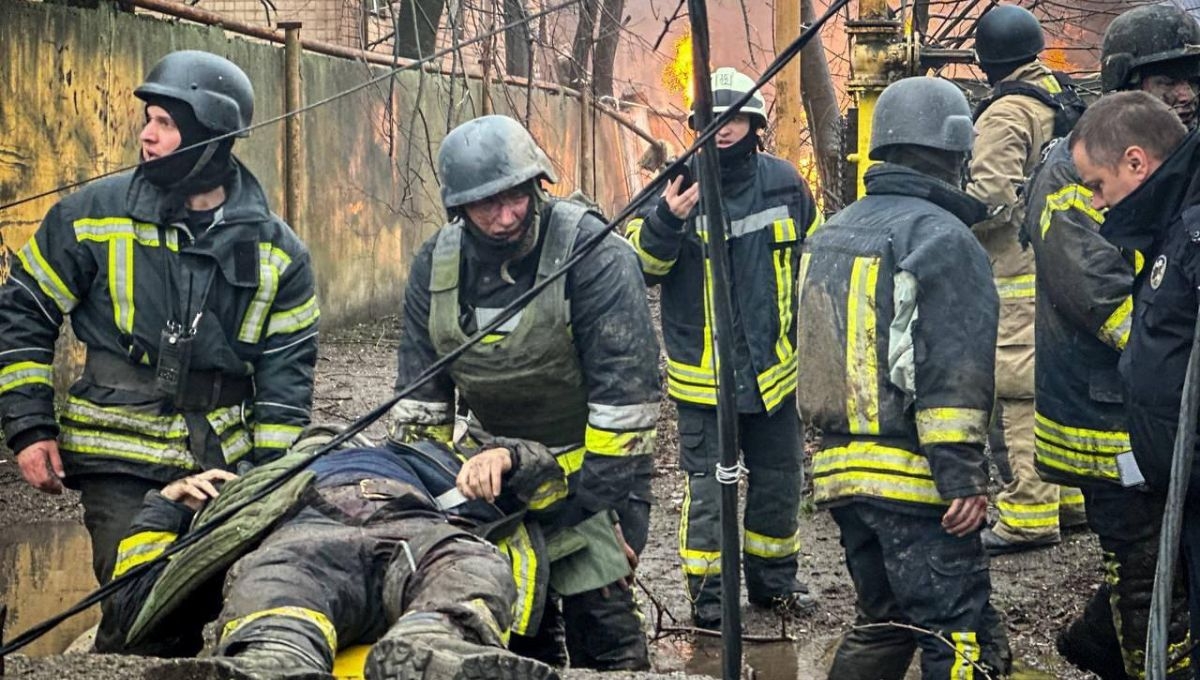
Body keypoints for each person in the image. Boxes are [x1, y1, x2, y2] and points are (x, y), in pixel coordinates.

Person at [0, 51, 318, 591]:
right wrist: (28, 428)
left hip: (225, 462)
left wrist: (270, 482)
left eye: (165, 124)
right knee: (136, 599)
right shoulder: (92, 214)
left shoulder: (277, 249)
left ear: (210, 136)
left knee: (224, 599)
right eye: (147, 119)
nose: (146, 135)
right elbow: (24, 311)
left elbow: (286, 378)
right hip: (117, 460)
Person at [389, 114, 660, 670]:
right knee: (508, 632)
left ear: (537, 184)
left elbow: (625, 407)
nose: (507, 216)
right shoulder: (434, 268)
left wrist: (600, 515)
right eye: (487, 205)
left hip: (596, 482)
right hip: (493, 481)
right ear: (459, 209)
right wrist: (431, 511)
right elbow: (420, 414)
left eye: (517, 196)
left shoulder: (595, 256)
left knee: (604, 630)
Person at [797, 76, 1009, 679]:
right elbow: (951, 370)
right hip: (917, 484)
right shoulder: (945, 239)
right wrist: (963, 475)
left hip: (840, 477)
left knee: (884, 620)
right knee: (959, 633)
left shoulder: (831, 231)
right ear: (953, 155)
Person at [1021, 7, 1200, 676]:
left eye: (1192, 77)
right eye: (1165, 80)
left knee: (1168, 557)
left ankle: (1098, 644)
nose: (1185, 93)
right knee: (1147, 575)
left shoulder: (1177, 162)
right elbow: (1105, 301)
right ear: (1125, 83)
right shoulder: (1072, 173)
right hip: (1106, 424)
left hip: (1157, 414)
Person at [97, 427, 564, 680]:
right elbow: (130, 615)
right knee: (271, 579)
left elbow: (548, 488)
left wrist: (507, 456)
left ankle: (436, 648)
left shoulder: (428, 457)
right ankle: (276, 656)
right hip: (303, 535)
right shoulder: (253, 483)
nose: (330, 434)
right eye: (317, 436)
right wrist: (166, 506)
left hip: (412, 525)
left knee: (469, 563)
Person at [625, 66, 822, 629]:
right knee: (710, 496)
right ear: (696, 126)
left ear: (755, 123)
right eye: (713, 119)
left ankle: (774, 586)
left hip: (774, 374)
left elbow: (814, 255)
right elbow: (640, 268)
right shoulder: (673, 188)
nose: (725, 128)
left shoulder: (786, 182)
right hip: (705, 383)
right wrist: (667, 219)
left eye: (735, 117)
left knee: (781, 483)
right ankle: (710, 604)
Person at [1076, 91, 1200, 670]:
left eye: (1097, 184)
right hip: (1181, 491)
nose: (1097, 203)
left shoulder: (1192, 232)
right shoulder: (1172, 229)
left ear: (1135, 161)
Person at [968, 4, 1086, 554]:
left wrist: (947, 214)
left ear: (987, 60)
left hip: (1015, 271)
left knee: (1018, 389)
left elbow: (990, 197)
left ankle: (1028, 514)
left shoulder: (1005, 114)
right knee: (1058, 378)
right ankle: (1072, 498)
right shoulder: (1059, 99)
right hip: (1064, 266)